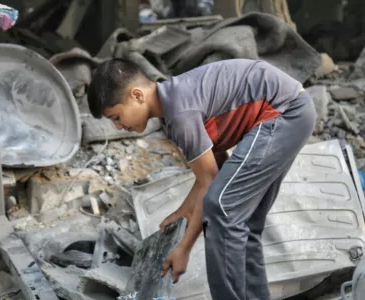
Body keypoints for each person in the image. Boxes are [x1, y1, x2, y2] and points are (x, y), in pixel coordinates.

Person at [86, 58, 316, 300]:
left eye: (116, 117)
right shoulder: (175, 105)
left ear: (137, 95)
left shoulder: (179, 113)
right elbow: (216, 171)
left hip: (283, 112)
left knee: (222, 209)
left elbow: (211, 187)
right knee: (243, 223)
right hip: (292, 112)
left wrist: (184, 247)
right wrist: (184, 209)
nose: (119, 127)